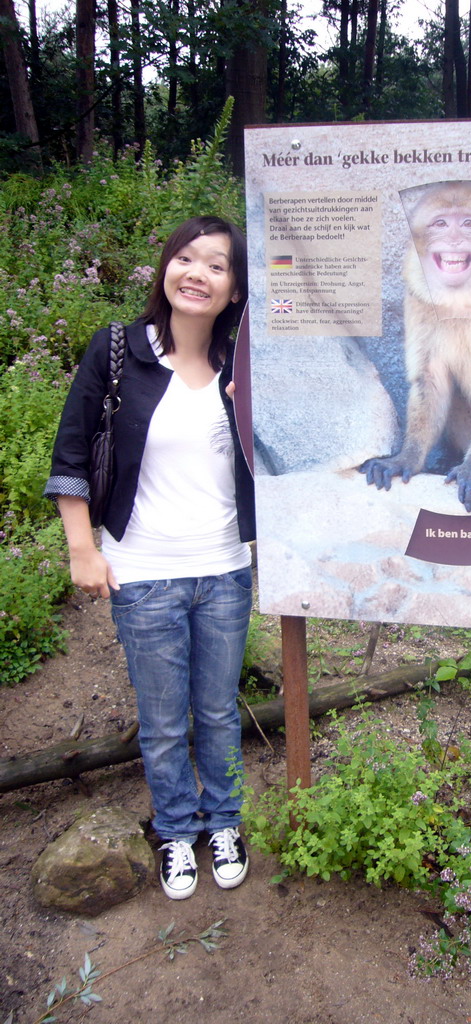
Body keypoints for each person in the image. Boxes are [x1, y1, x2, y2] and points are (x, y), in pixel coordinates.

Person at [45, 216, 256, 900]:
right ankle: (175, 829)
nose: (197, 273)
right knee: (164, 720)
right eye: (186, 258)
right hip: (142, 572)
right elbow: (72, 454)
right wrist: (83, 548)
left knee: (219, 710)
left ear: (232, 291)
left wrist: (251, 410)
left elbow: (277, 459)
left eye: (216, 266)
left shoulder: (241, 369)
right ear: (165, 269)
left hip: (224, 568)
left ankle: (223, 820)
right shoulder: (117, 351)